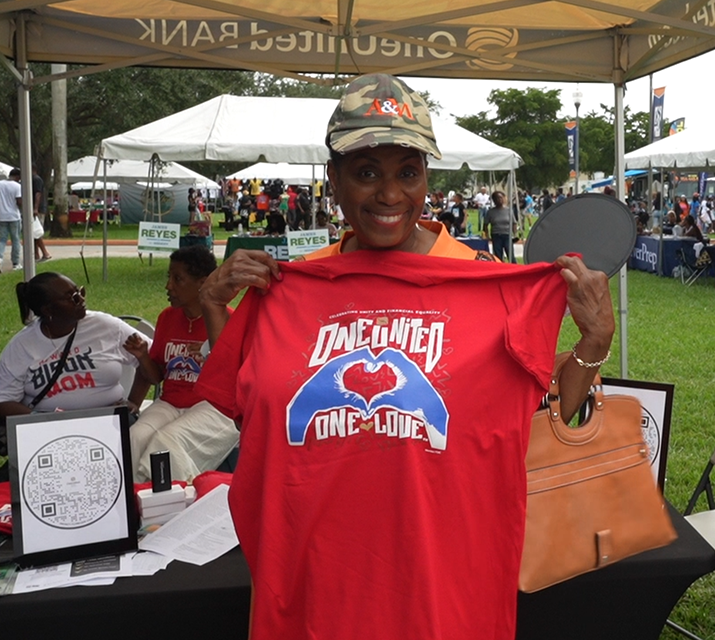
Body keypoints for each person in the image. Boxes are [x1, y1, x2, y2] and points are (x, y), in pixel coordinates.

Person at [195, 74, 614, 640]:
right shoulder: (285, 289)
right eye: (366, 172)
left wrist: (593, 343)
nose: (389, 194)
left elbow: (541, 421)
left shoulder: (485, 284)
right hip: (312, 591)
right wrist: (218, 307)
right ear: (333, 180)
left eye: (407, 173)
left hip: (442, 594)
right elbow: (256, 413)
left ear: (426, 179)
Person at [123, 246, 238, 483]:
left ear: (202, 283)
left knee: (165, 443)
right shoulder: (168, 317)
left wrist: (210, 354)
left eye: (177, 279)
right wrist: (143, 356)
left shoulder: (229, 319)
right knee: (134, 438)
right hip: (172, 402)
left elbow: (239, 376)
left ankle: (179, 507)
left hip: (214, 407)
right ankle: (138, 508)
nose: (169, 286)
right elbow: (156, 377)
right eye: (169, 277)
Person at [0, 272, 150, 419]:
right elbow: (4, 400)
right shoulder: (21, 345)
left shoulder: (106, 326)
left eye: (80, 292)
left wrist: (134, 402)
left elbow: (151, 357)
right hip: (49, 428)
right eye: (72, 298)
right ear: (48, 310)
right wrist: (41, 420)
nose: (81, 299)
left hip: (109, 419)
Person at [484, 190, 517, 263]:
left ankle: (515, 268)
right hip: (496, 235)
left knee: (511, 255)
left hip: (507, 235)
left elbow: (514, 223)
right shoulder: (491, 212)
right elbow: (485, 224)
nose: (500, 200)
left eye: (501, 198)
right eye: (497, 198)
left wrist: (515, 234)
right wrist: (487, 235)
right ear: (494, 200)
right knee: (498, 256)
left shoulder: (509, 210)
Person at [0, 168, 22, 272]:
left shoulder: (0, 184)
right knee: (16, 239)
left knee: (2, 239)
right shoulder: (17, 186)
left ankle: (0, 259)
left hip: (1, 216)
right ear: (18, 177)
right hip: (14, 216)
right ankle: (15, 263)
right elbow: (19, 201)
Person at [32, 164, 51, 262]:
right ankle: (36, 254)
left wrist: (35, 208)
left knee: (36, 232)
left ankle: (45, 253)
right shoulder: (32, 179)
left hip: (37, 209)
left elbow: (38, 193)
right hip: (34, 209)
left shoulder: (36, 179)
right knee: (33, 233)